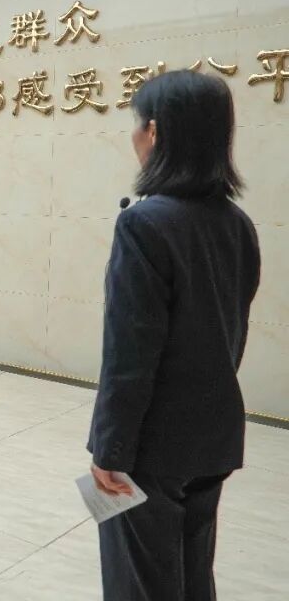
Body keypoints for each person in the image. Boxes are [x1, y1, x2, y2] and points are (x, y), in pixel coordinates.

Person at [88, 71, 261, 601]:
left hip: (150, 446)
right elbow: (230, 333)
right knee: (192, 577)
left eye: (138, 124)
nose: (133, 136)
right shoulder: (237, 224)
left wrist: (110, 449)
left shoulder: (144, 224)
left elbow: (130, 354)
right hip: (215, 437)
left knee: (139, 583)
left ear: (156, 133)